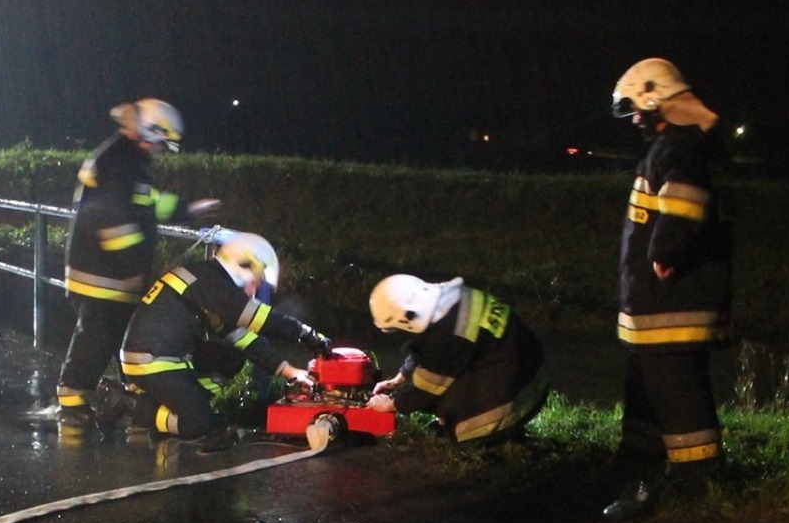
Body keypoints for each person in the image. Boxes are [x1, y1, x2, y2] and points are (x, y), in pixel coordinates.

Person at [603, 57, 733, 520]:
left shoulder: (677, 147)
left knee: (677, 394)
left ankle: (699, 481)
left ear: (657, 99)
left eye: (639, 108)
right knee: (645, 388)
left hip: (671, 305)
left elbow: (681, 203)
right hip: (656, 309)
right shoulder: (673, 145)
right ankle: (641, 468)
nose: (636, 118)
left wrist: (665, 252)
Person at [47, 99, 216, 429]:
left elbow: (148, 205)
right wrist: (133, 266)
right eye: (161, 143)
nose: (161, 151)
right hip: (101, 276)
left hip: (114, 275)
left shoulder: (130, 161)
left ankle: (132, 395)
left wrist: (190, 209)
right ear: (150, 132)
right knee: (96, 337)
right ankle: (71, 400)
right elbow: (112, 222)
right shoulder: (118, 162)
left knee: (125, 335)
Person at [96, 231, 329, 451]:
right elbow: (261, 319)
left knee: (231, 358)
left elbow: (244, 339)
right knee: (200, 424)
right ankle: (128, 404)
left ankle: (169, 405)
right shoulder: (211, 281)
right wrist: (306, 333)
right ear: (243, 265)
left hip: (160, 357)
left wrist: (290, 371)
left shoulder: (206, 280)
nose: (255, 290)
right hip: (152, 362)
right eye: (255, 282)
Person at [366, 274, 548, 443]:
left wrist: (391, 404)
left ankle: (482, 432)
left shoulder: (446, 334)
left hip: (512, 403)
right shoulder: (454, 299)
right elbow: (428, 352)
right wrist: (398, 380)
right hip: (531, 381)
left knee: (442, 399)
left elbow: (428, 388)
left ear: (408, 318)